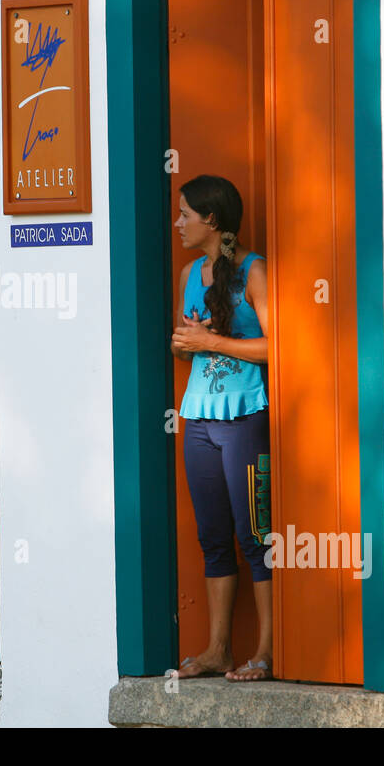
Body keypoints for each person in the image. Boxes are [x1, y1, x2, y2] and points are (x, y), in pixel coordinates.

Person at [170, 174, 273, 682]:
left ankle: (266, 653)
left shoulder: (255, 272)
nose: (178, 223)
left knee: (254, 536)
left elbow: (277, 347)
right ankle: (217, 651)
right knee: (212, 538)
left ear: (211, 220)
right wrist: (189, 342)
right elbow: (182, 341)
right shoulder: (191, 271)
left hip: (245, 419)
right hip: (199, 421)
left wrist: (213, 344)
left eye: (185, 214)